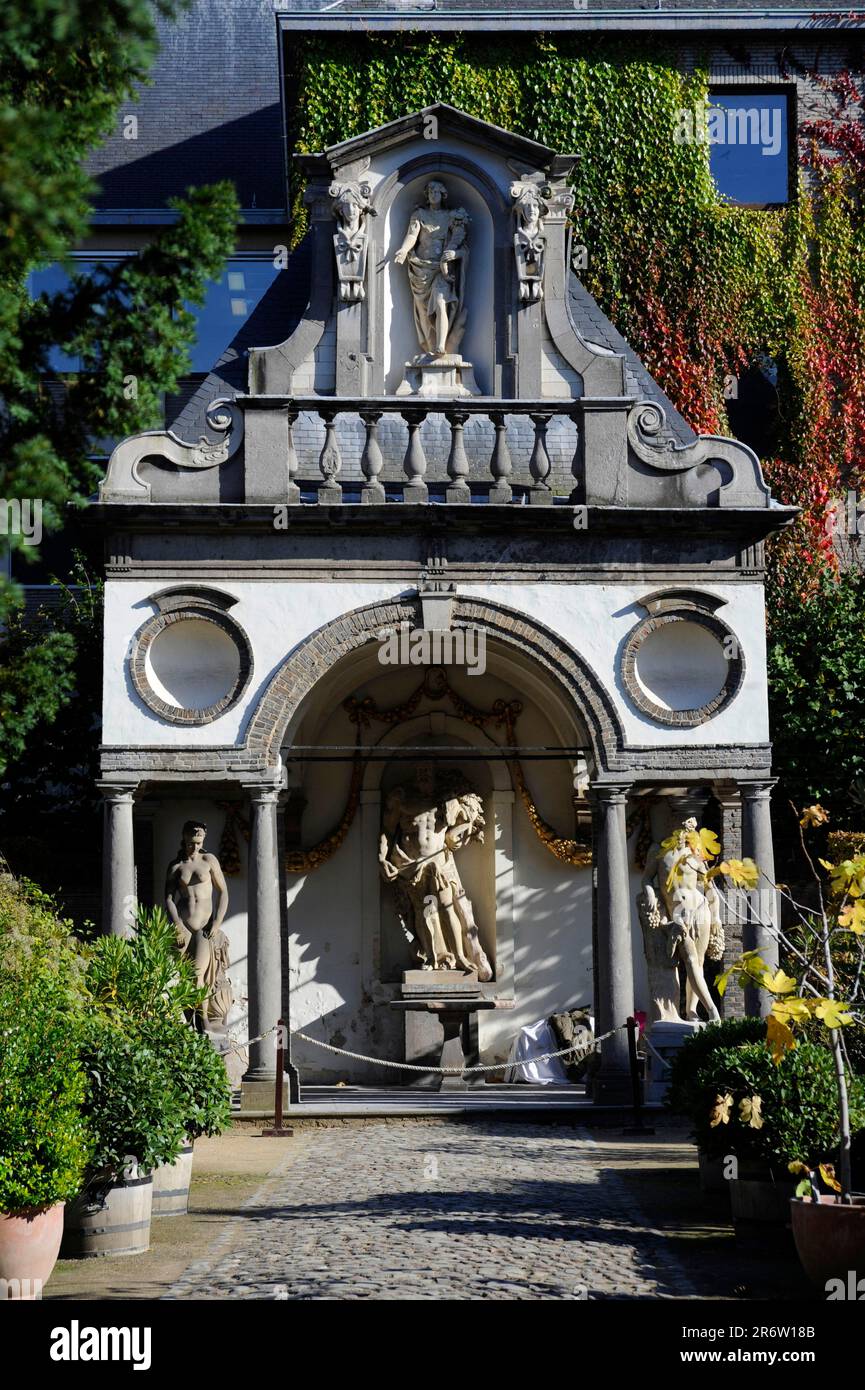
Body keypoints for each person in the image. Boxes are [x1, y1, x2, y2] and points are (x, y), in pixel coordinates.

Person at [379, 762, 492, 980]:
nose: (423, 775)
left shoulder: (445, 802)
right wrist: (381, 859)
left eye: (427, 771)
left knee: (448, 906)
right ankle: (432, 958)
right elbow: (387, 831)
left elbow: (468, 822)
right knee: (423, 911)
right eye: (420, 771)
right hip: (411, 865)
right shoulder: (403, 800)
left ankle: (459, 957)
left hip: (439, 862)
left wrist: (454, 833)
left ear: (434, 776)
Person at [165, 819, 230, 1029]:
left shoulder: (209, 860)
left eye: (199, 842)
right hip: (184, 924)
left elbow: (223, 893)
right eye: (192, 842)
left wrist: (217, 923)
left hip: (204, 926)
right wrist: (176, 924)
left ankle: (203, 1021)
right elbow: (168, 899)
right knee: (184, 976)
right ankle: (189, 1021)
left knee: (197, 975)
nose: (195, 847)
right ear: (184, 838)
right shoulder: (176, 866)